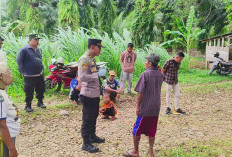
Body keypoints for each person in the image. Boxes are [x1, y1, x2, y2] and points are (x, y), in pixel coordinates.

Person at [123, 53, 165, 157]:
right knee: (152, 130)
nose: (145, 63)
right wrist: (158, 69)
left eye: (146, 61)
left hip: (146, 107)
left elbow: (140, 93)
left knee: (136, 129)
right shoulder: (160, 74)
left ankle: (135, 151)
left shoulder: (145, 74)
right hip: (156, 107)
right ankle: (151, 152)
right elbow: (163, 76)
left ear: (150, 63)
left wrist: (138, 106)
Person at [77, 38, 105, 153]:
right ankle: (86, 143)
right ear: (92, 47)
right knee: (87, 118)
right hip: (87, 94)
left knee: (94, 116)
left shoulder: (91, 59)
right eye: (99, 48)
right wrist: (95, 76)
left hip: (94, 94)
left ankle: (92, 136)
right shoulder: (84, 59)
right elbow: (82, 77)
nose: (100, 51)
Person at [0, 36, 20, 157]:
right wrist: (12, 148)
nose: (11, 75)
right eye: (9, 73)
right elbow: (2, 125)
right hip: (5, 138)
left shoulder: (2, 93)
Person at [16, 34, 46, 112]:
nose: (37, 42)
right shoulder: (24, 50)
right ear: (30, 41)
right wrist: (22, 71)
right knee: (29, 90)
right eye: (35, 40)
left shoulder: (38, 49)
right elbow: (19, 61)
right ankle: (28, 105)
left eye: (38, 40)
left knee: (41, 88)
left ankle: (40, 102)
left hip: (39, 73)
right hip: (29, 75)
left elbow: (40, 59)